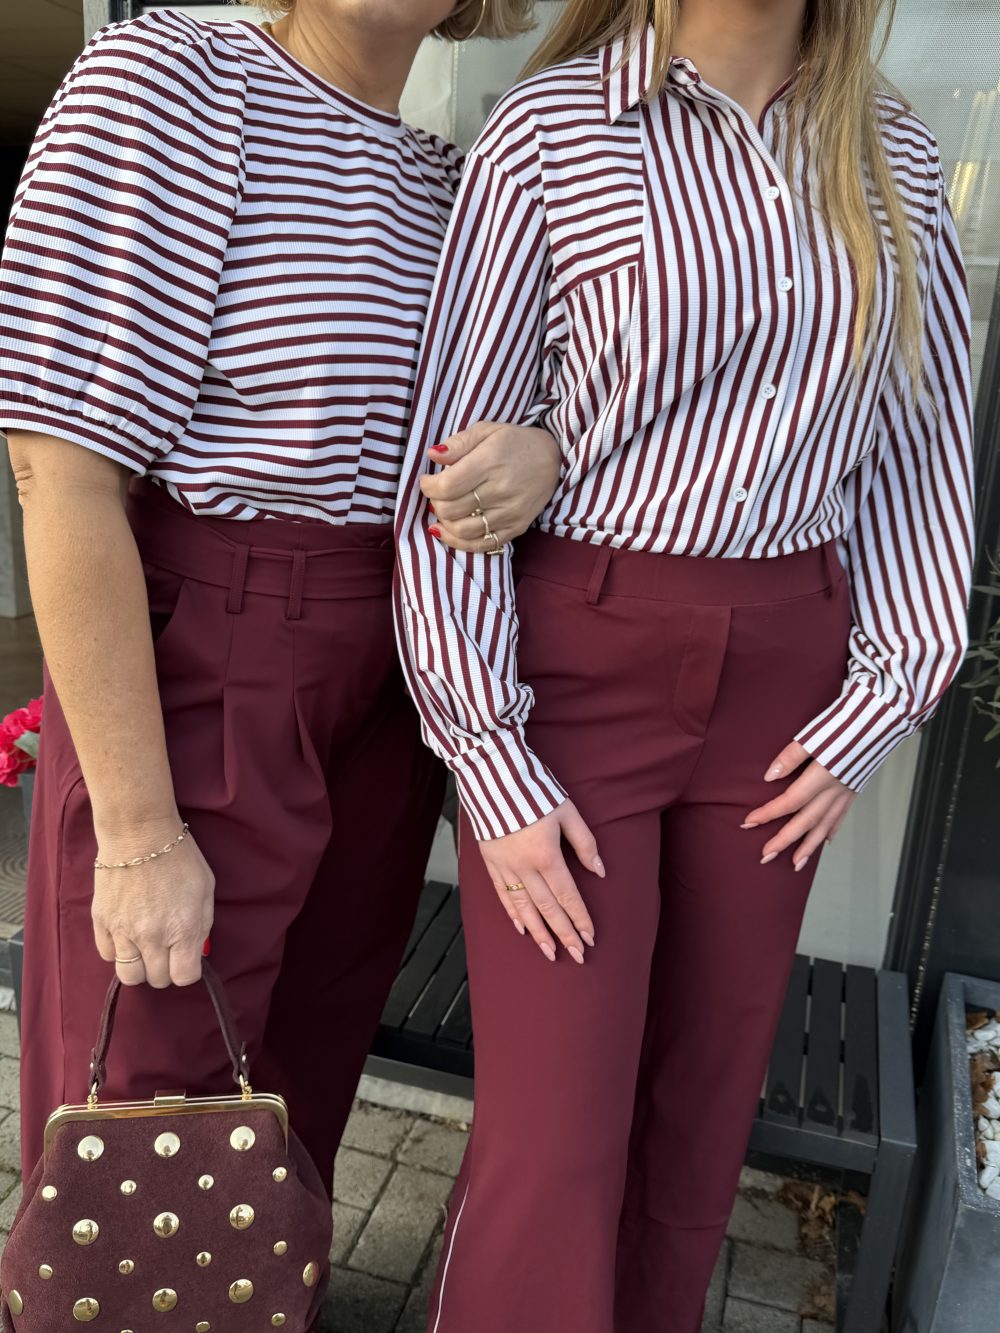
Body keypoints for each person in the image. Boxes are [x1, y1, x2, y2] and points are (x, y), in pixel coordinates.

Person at [394, 0, 975, 1327]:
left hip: (786, 685)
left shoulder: (887, 155)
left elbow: (917, 458)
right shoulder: (550, 131)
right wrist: (489, 754)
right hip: (579, 665)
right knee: (557, 1133)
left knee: (702, 1111)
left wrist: (884, 697)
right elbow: (453, 471)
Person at [0, 0, 558, 1194]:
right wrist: (141, 833)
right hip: (211, 652)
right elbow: (60, 467)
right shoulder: (172, 78)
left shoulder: (452, 183)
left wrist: (544, 451)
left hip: (397, 674)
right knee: (150, 1107)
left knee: (296, 1090)